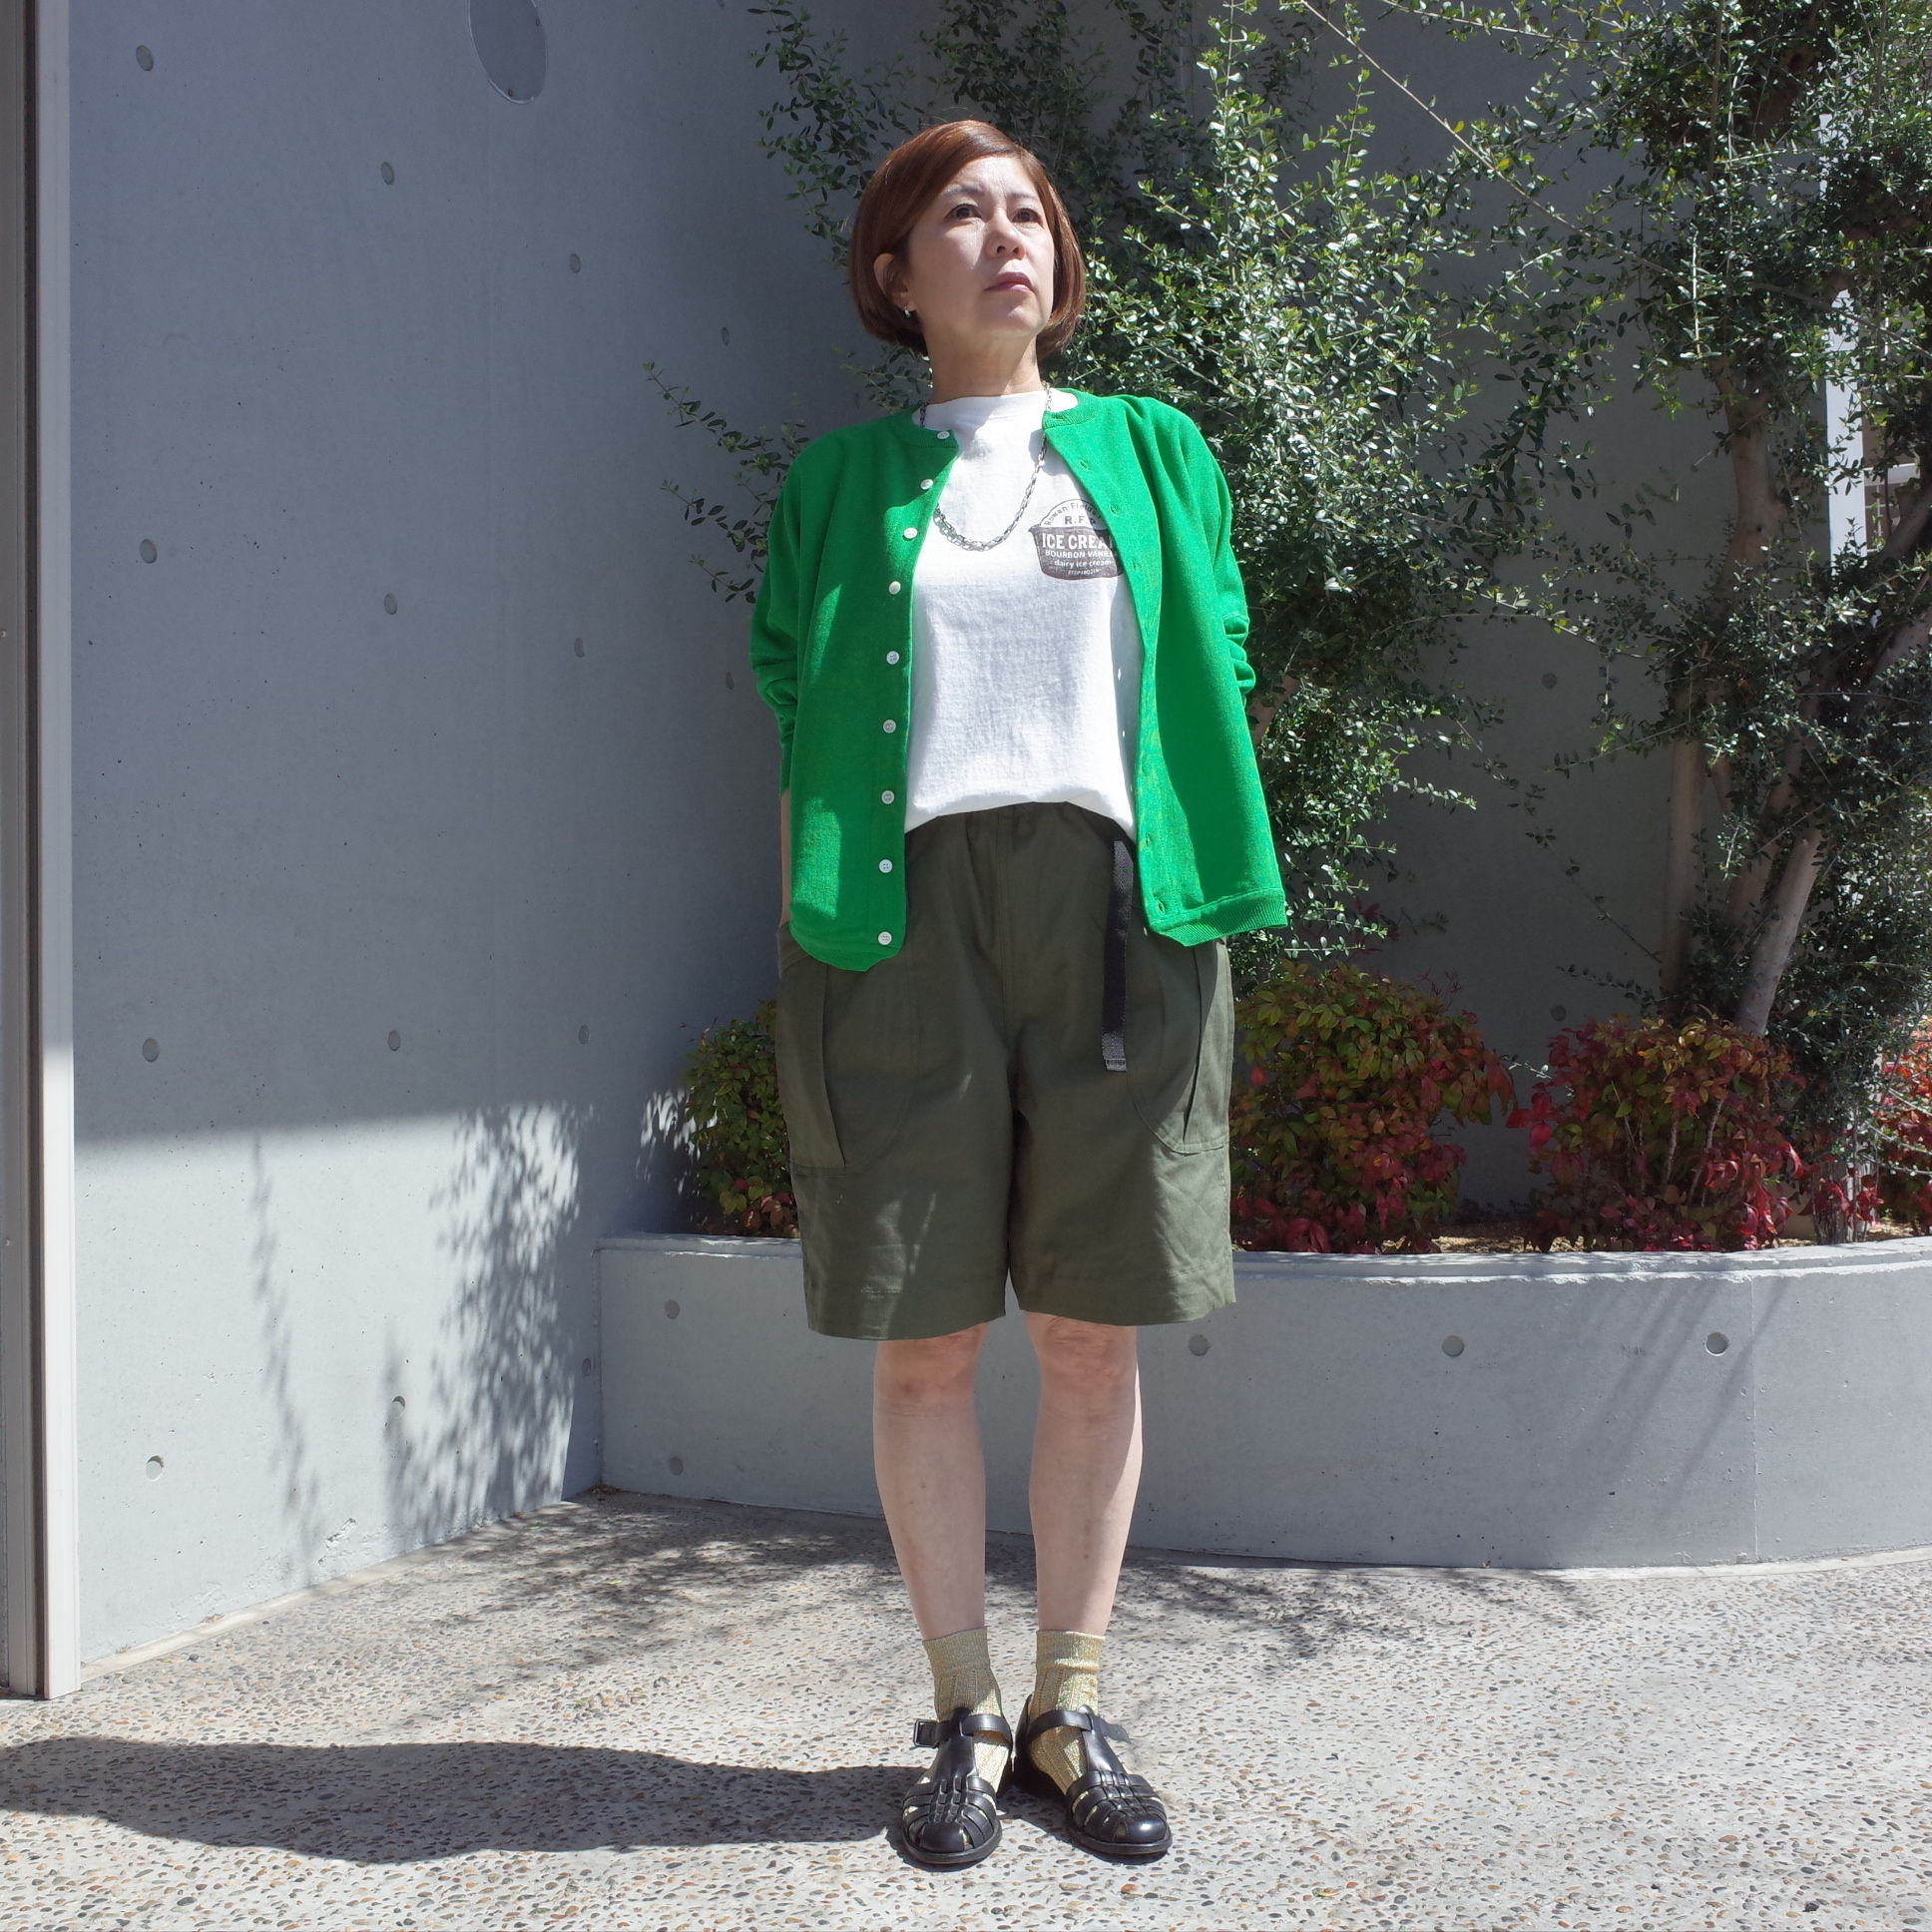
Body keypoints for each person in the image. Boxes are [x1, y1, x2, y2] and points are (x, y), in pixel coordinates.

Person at [748, 119, 1284, 1869]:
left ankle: (1072, 1704)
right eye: (964, 216)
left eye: (1031, 214)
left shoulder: (1153, 447)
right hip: (896, 918)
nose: (1009, 239)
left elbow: (1217, 646)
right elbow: (793, 692)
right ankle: (963, 1714)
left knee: (1088, 1328)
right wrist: (809, 913)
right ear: (894, 274)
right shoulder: (838, 484)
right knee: (924, 1342)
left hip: (1125, 904)